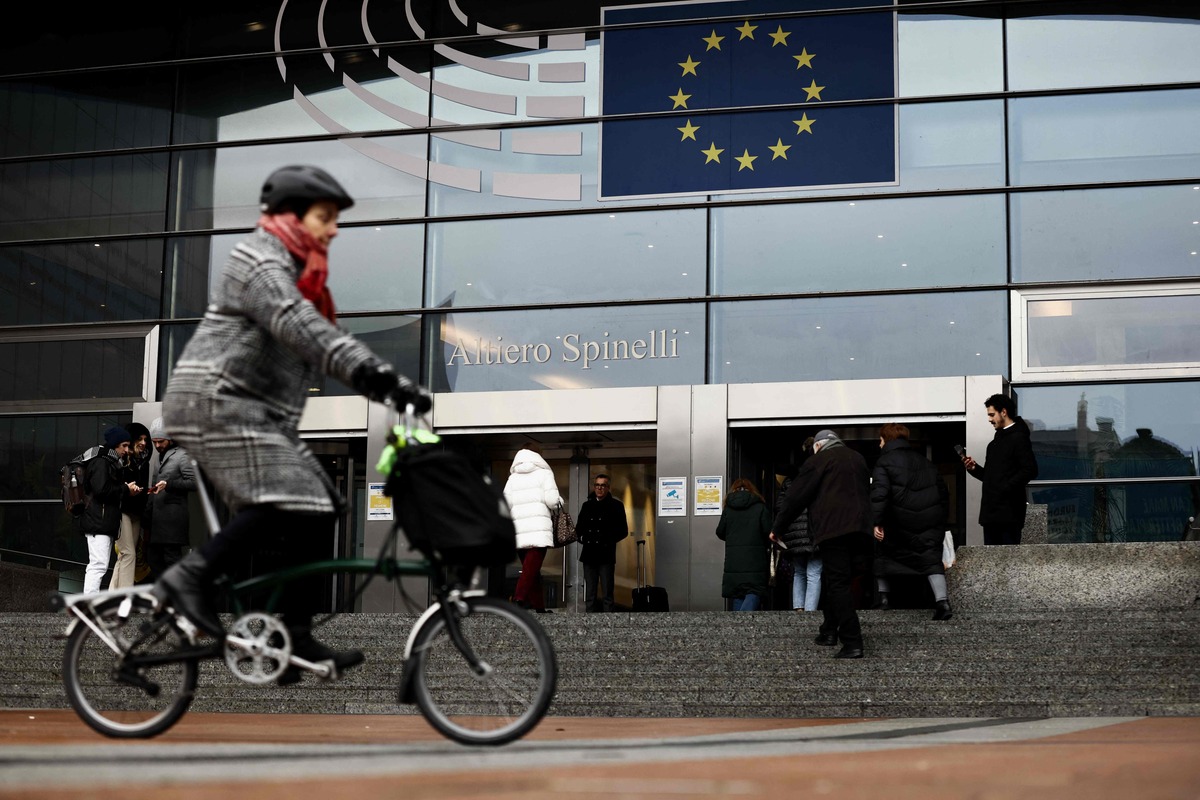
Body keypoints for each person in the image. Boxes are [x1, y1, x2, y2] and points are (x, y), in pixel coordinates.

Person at [151, 164, 431, 685]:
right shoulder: (257, 260)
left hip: (257, 416)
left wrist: (383, 381)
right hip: (216, 404)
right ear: (291, 216)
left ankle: (291, 633)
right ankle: (187, 580)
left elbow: (324, 333)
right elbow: (303, 328)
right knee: (288, 498)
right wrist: (381, 378)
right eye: (325, 217)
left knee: (325, 503)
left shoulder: (303, 277)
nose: (334, 229)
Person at [772, 429, 871, 659]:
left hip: (834, 529)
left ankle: (852, 641)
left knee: (838, 583)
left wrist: (778, 528)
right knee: (837, 580)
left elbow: (796, 497)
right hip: (861, 529)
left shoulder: (818, 461)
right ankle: (828, 631)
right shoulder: (858, 458)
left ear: (818, 445)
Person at [870, 423, 953, 621]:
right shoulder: (926, 462)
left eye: (881, 440)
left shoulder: (884, 462)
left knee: (882, 554)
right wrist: (939, 522)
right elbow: (943, 494)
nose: (879, 444)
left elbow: (880, 495)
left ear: (887, 439)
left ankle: (883, 600)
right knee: (930, 560)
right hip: (927, 523)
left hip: (897, 523)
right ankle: (942, 602)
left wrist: (876, 522)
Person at [961, 393, 1039, 546]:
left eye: (992, 414)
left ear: (1003, 412)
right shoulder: (994, 443)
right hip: (991, 514)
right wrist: (974, 468)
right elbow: (991, 477)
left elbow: (1030, 469)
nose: (989, 419)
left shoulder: (1019, 438)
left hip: (1009, 514)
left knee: (1007, 563)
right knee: (993, 562)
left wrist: (1005, 487)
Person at [80, 427, 141, 594]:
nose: (127, 450)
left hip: (102, 521)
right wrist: (125, 489)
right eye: (124, 445)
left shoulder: (108, 461)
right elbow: (101, 490)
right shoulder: (102, 461)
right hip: (98, 521)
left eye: (128, 446)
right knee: (98, 565)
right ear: (115, 445)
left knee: (99, 565)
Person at [503, 444, 561, 613]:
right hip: (538, 530)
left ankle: (539, 607)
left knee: (532, 572)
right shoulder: (544, 473)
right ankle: (518, 599)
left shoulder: (513, 478)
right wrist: (559, 501)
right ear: (538, 456)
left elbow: (505, 504)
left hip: (519, 530)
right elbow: (552, 501)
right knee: (531, 570)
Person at [142, 416, 197, 582]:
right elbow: (153, 487)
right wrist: (147, 515)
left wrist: (169, 484)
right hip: (157, 522)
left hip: (172, 521)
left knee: (172, 561)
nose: (157, 446)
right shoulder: (159, 457)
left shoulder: (183, 455)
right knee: (153, 560)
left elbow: (195, 483)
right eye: (155, 442)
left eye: (161, 441)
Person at [776, 440, 822, 612]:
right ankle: (810, 611)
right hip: (813, 531)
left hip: (794, 533)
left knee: (799, 571)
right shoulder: (819, 477)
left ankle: (798, 608)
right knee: (814, 572)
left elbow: (780, 506)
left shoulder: (789, 481)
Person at [716, 478, 772, 611]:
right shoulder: (760, 507)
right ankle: (743, 621)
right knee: (754, 590)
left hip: (734, 560)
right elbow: (768, 532)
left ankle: (737, 627)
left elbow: (720, 532)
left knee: (738, 593)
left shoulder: (728, 509)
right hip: (755, 559)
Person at [576, 473, 628, 612]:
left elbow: (623, 531)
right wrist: (582, 537)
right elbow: (579, 528)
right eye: (597, 485)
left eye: (603, 485)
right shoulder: (587, 505)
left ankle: (609, 625)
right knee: (590, 593)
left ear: (608, 487)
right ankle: (590, 624)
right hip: (589, 553)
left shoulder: (616, 506)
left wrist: (607, 540)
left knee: (607, 592)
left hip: (606, 554)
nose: (599, 488)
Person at [110, 422, 150, 589]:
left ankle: (111, 598)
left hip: (136, 512)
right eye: (139, 439)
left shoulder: (144, 462)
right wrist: (128, 489)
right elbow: (115, 486)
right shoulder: (122, 459)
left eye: (146, 439)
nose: (143, 443)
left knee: (125, 556)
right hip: (122, 510)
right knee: (128, 554)